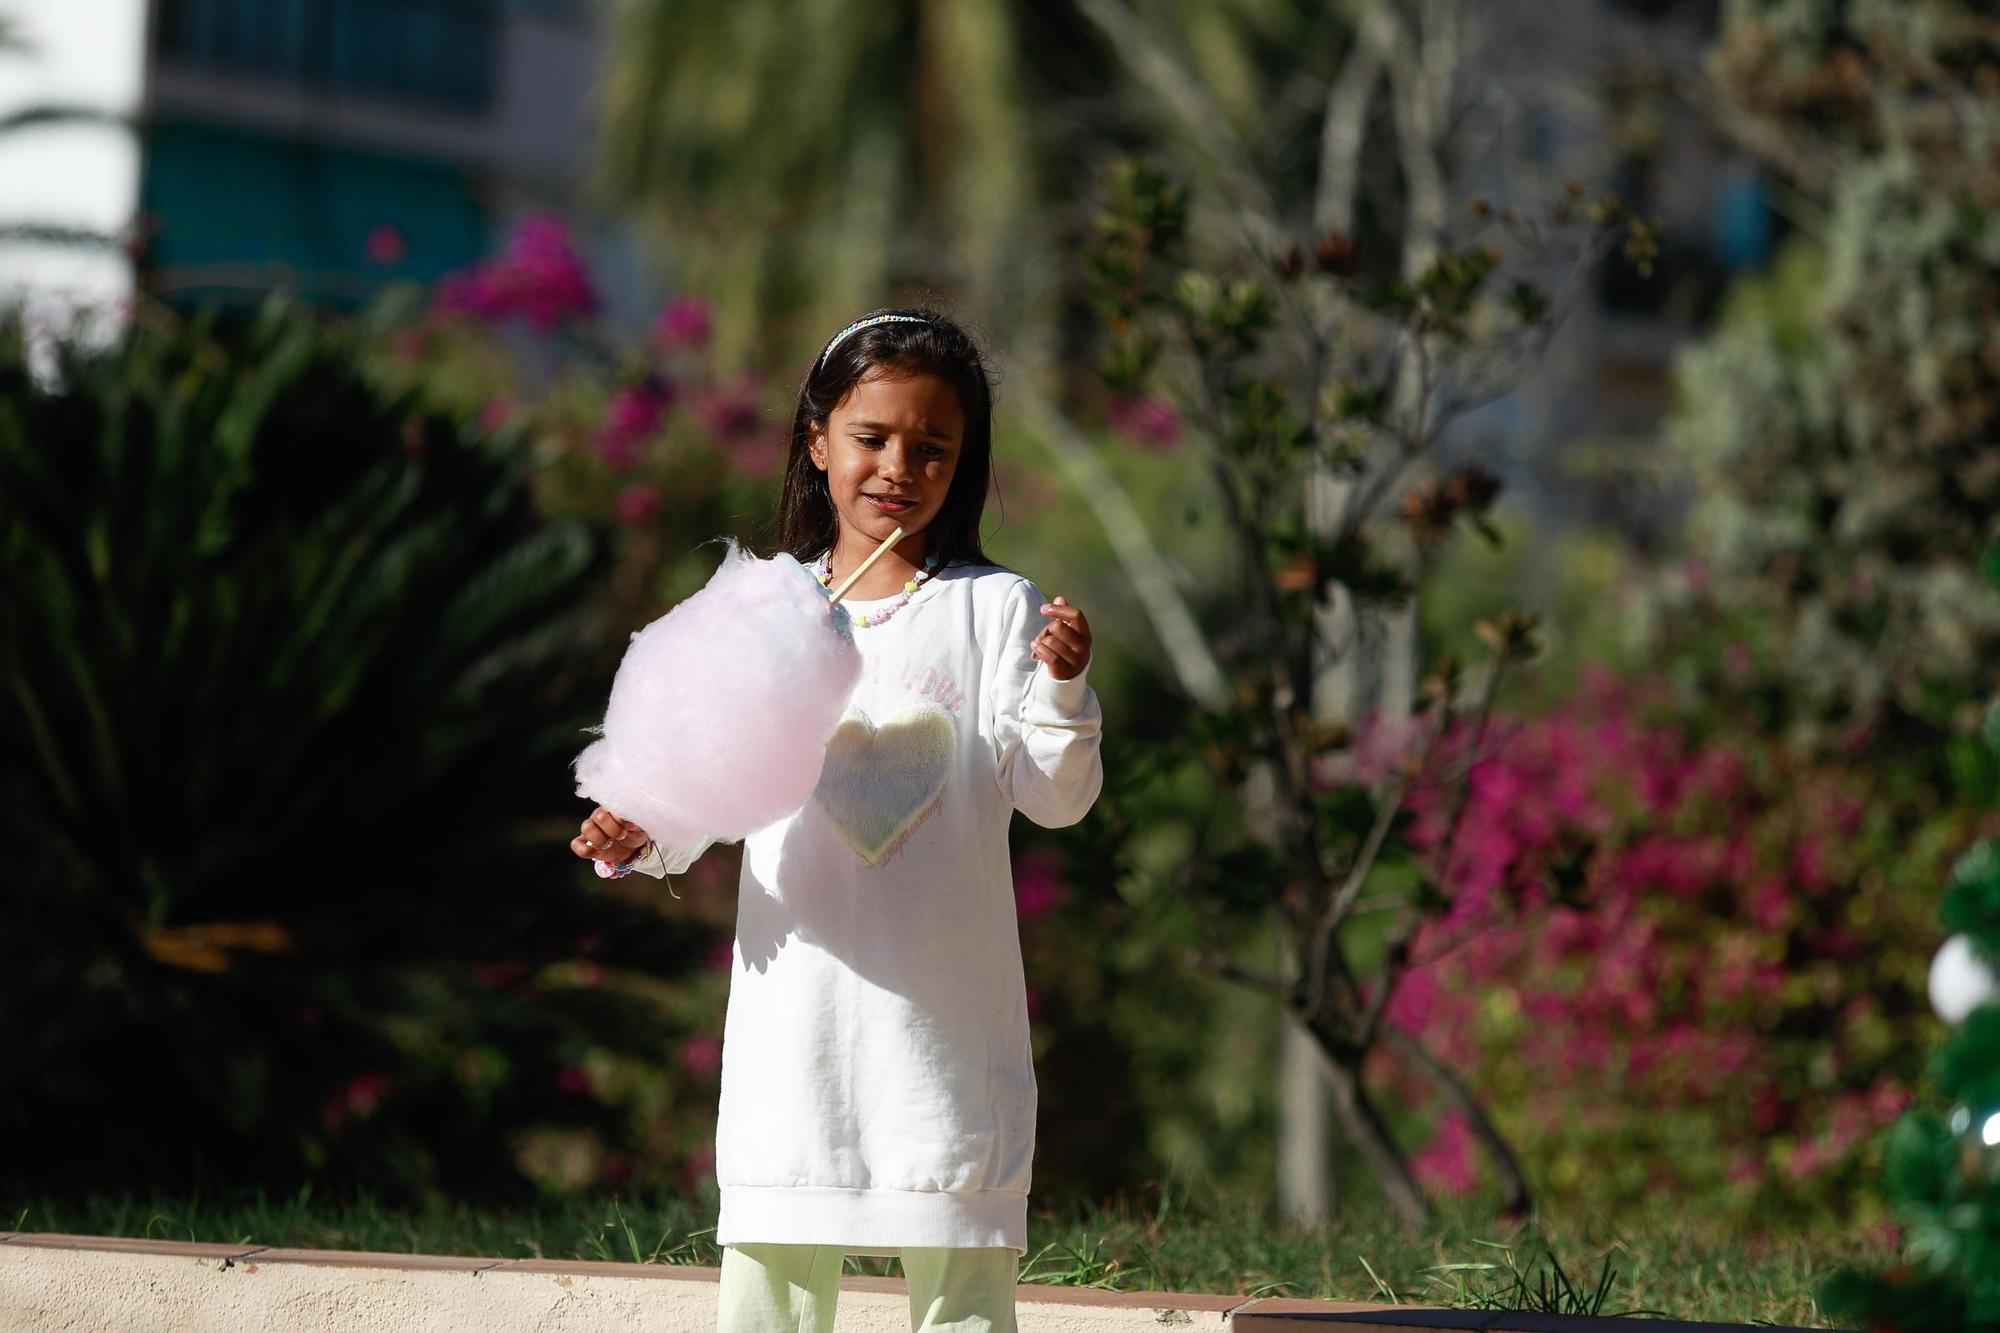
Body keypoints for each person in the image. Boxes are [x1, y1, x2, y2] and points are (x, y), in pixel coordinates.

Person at [570, 306, 1104, 1333]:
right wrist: (640, 828)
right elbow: (711, 786)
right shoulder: (762, 610)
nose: (898, 466)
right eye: (871, 437)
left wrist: (1064, 690)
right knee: (771, 1292)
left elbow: (1054, 794)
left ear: (964, 460)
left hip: (944, 1037)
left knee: (960, 1293)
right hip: (796, 1036)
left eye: (931, 446)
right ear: (816, 440)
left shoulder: (996, 611)